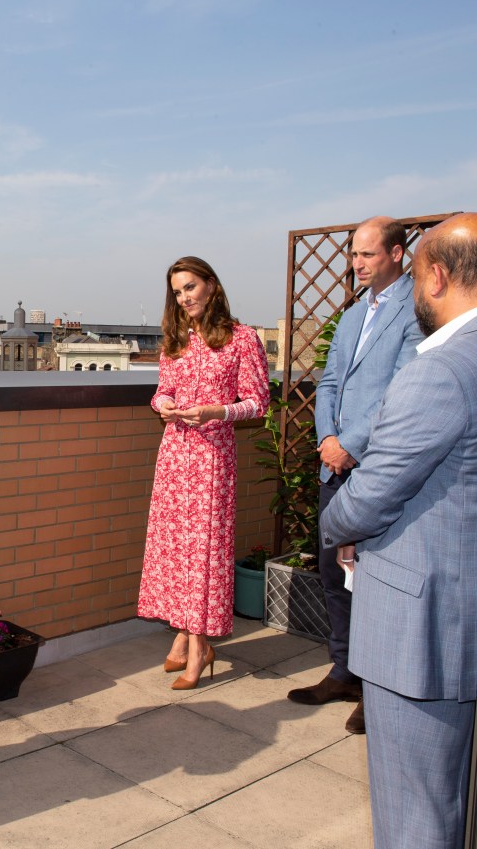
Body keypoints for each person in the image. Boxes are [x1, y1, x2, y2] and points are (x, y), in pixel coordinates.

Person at [320, 212, 477, 849]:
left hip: (426, 628)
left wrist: (336, 522)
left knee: (417, 810)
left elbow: (373, 493)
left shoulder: (441, 368)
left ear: (434, 275)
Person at [287, 216, 422, 734]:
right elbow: (328, 382)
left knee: (375, 580)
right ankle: (345, 672)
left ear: (395, 253)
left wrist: (352, 444)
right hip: (334, 466)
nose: (357, 263)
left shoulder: (415, 310)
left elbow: (404, 389)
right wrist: (327, 441)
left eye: (367, 254)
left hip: (381, 467)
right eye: (354, 255)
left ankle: (376, 686)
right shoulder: (352, 315)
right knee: (331, 573)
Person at [138, 256, 270, 689]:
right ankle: (184, 636)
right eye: (177, 291)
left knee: (204, 553)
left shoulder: (242, 338)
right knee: (177, 551)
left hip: (213, 458)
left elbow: (258, 401)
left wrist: (217, 411)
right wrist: (165, 406)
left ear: (211, 285)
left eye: (190, 287)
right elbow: (162, 391)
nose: (184, 297)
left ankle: (198, 648)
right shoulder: (175, 339)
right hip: (175, 455)